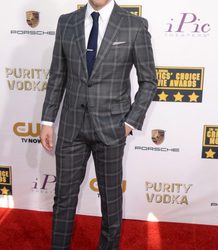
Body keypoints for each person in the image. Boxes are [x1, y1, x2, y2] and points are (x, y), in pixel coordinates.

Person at [40, 0, 157, 249]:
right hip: (72, 127)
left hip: (112, 128)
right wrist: (47, 120)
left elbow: (149, 81)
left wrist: (130, 122)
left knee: (111, 199)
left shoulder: (133, 25)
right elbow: (58, 74)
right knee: (63, 199)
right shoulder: (67, 22)